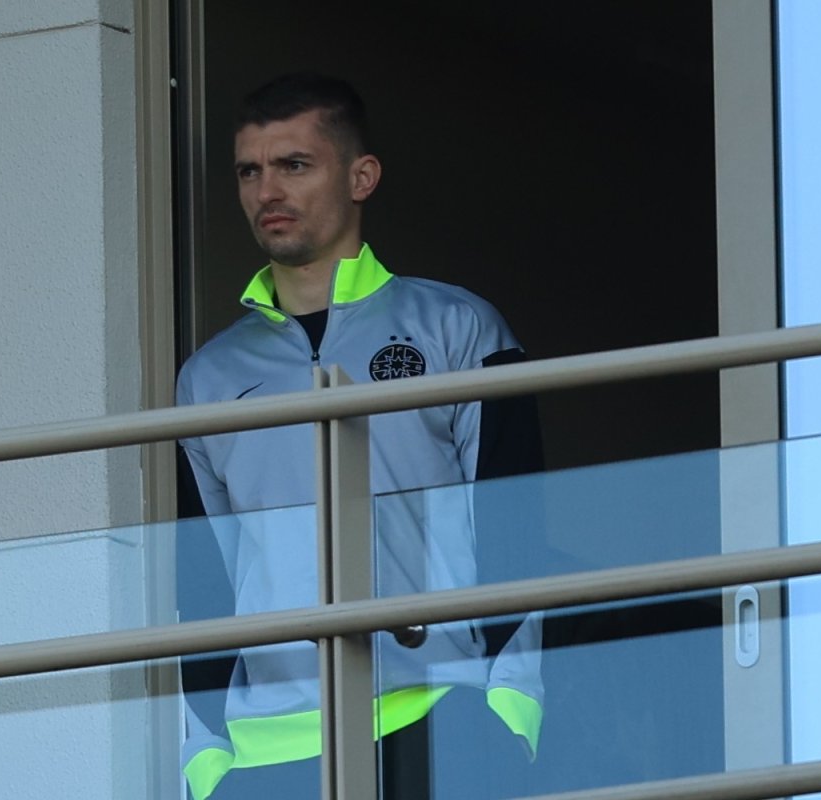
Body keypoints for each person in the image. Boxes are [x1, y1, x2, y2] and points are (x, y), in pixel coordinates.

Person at [175, 73, 545, 800]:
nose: (267, 190)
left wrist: (511, 705)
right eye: (249, 171)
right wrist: (207, 752)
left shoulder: (457, 327)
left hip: (433, 709)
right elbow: (202, 572)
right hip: (263, 747)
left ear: (361, 177)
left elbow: (515, 520)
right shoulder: (208, 376)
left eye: (294, 165)